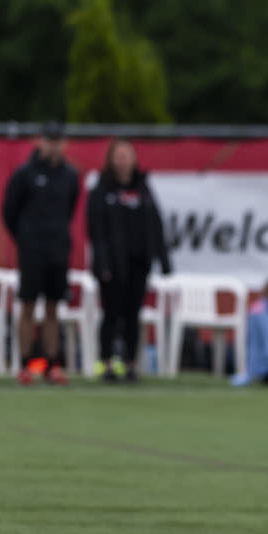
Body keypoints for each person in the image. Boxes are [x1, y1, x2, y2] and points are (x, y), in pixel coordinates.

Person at [3, 121, 82, 384]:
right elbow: (9, 212)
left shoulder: (70, 175)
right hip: (32, 251)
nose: (54, 146)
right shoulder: (25, 174)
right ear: (40, 142)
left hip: (57, 251)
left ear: (64, 144)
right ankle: (25, 364)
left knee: (52, 307)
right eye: (49, 140)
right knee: (28, 305)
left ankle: (52, 363)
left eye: (58, 141)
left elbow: (69, 209)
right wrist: (26, 238)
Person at [87, 138, 171, 382]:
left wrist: (162, 259)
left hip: (138, 262)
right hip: (112, 265)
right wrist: (102, 263)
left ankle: (130, 362)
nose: (123, 161)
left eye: (127, 156)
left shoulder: (143, 189)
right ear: (111, 160)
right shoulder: (101, 191)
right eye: (119, 156)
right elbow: (96, 231)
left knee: (133, 315)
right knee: (112, 314)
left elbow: (155, 224)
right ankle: (106, 363)